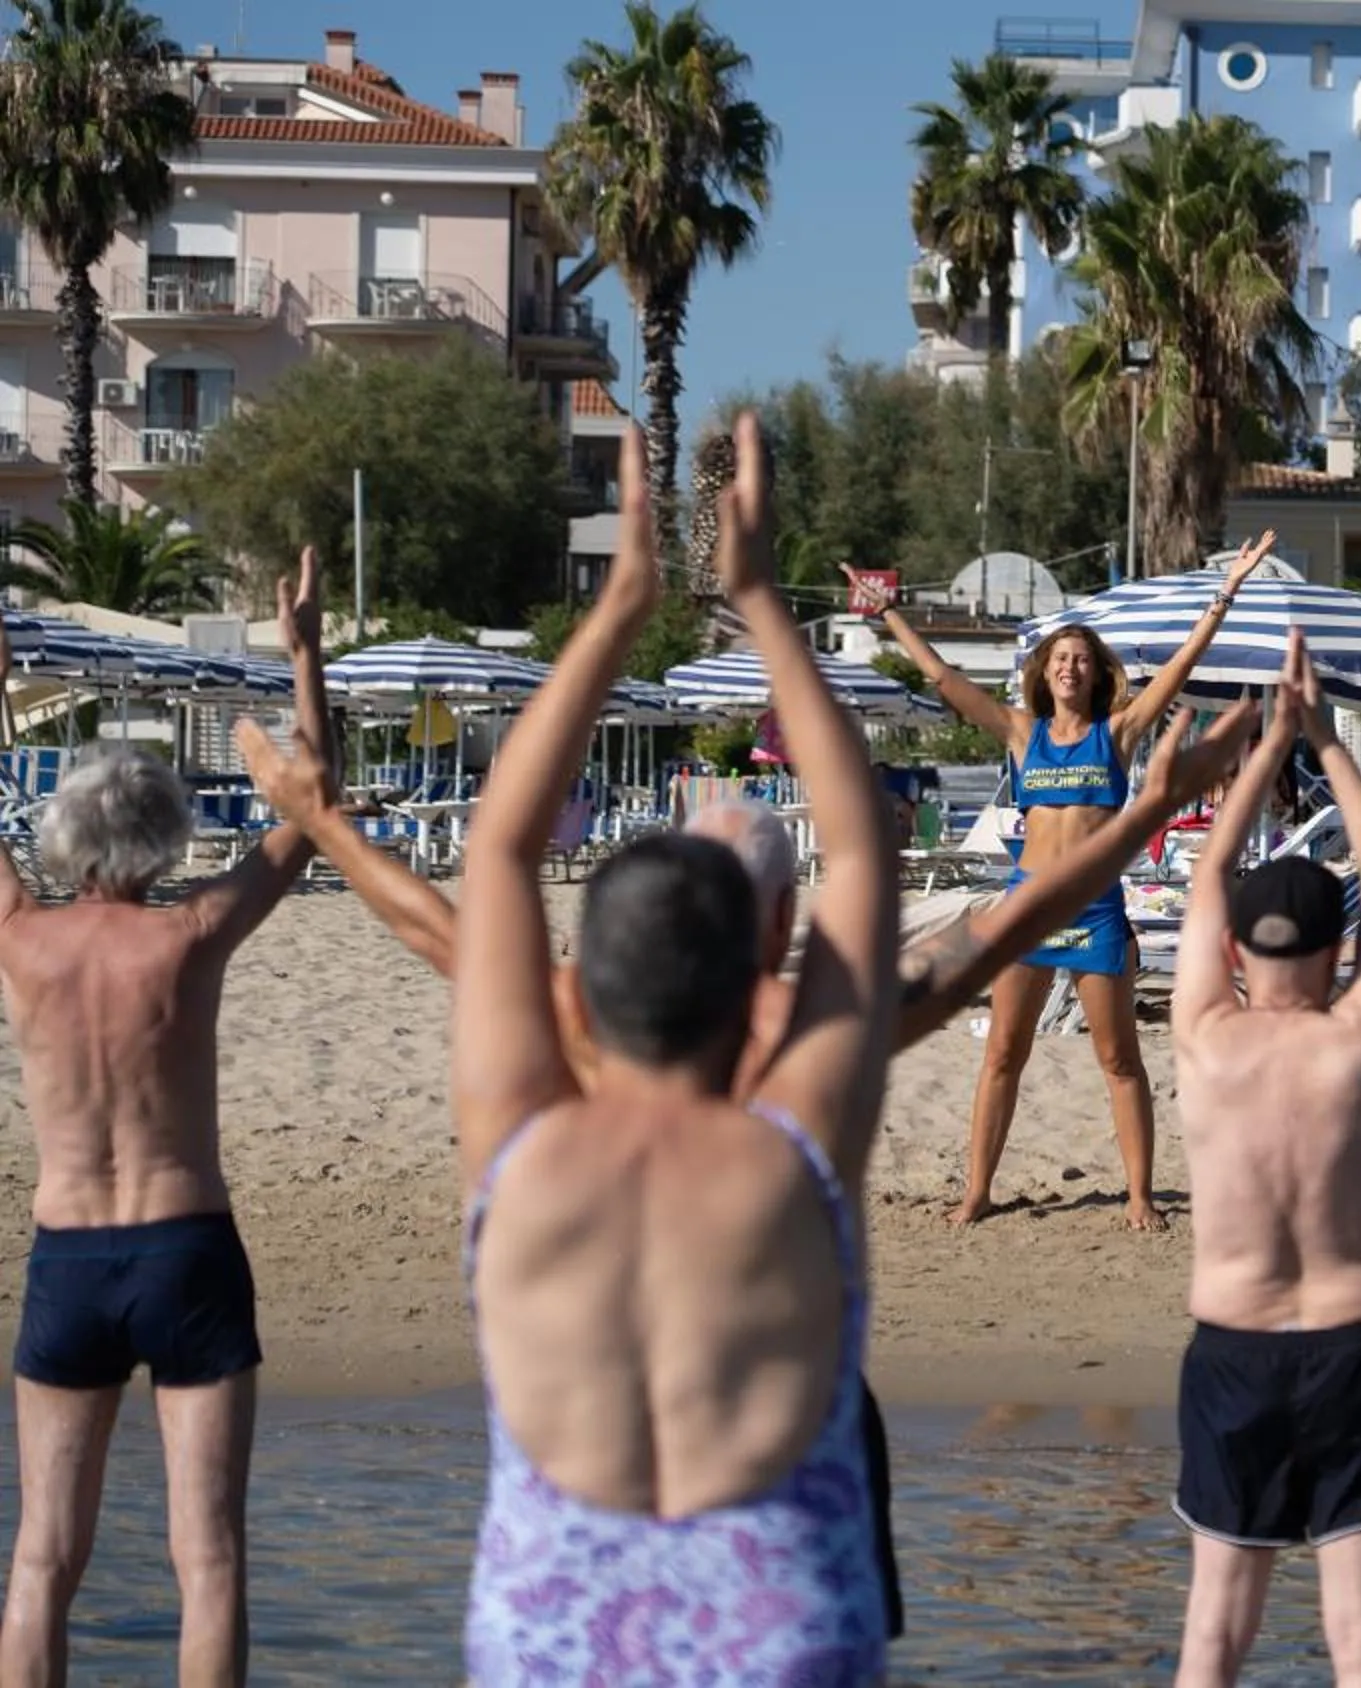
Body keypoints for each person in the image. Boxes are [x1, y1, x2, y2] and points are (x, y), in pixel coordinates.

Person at [230, 531, 1257, 1648]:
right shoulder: (806, 1088)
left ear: (583, 969)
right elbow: (931, 890)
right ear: (780, 932)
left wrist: (325, 812)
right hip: (781, 1622)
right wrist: (1154, 811)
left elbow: (469, 893)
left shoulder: (528, 1112)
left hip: (553, 1636)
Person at [451, 414, 900, 1681]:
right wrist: (758, 601)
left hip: (552, 1624)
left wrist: (619, 609)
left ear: (576, 1000)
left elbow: (497, 846)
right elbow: (861, 847)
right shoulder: (799, 1148)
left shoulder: (521, 1138)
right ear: (768, 961)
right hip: (778, 1620)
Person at [0, 550, 332, 1688]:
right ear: (163, 837)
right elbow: (308, 808)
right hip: (185, 1247)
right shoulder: (190, 934)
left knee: (42, 1556)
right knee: (211, 1556)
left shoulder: (19, 936)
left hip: (70, 1256)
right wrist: (303, 656)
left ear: (65, 837)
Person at [1166, 632, 1361, 1688]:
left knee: (1212, 1637)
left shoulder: (1203, 1033)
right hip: (1360, 1343)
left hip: (1234, 1346)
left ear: (1237, 951)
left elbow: (1204, 878)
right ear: (1340, 950)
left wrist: (1265, 742)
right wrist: (1325, 742)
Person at [864, 539, 1277, 1232]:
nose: (1070, 667)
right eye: (1060, 659)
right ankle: (978, 1192)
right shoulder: (1023, 735)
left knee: (1119, 1058)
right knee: (1002, 1055)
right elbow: (942, 678)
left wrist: (1226, 594)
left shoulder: (1117, 735)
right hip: (1026, 912)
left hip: (1096, 913)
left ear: (1095, 675)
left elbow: (1180, 669)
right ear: (1044, 672)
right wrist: (891, 615)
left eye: (1081, 660)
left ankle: (1141, 1195)